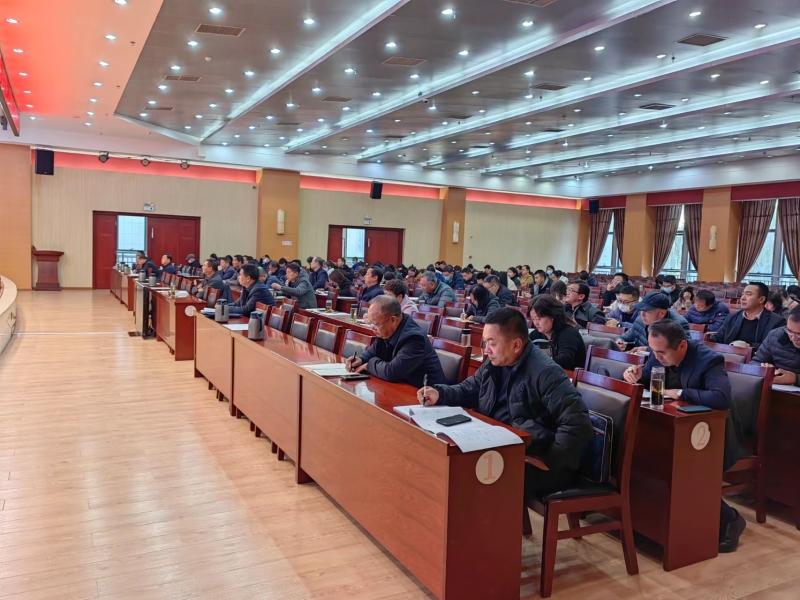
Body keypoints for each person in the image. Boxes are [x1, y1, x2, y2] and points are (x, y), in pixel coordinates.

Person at [418, 308, 593, 500]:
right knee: (443, 464)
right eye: (485, 342)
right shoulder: (494, 363)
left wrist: (551, 460)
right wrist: (440, 393)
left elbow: (577, 423)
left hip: (534, 454)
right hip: (498, 445)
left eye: (492, 343)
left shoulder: (546, 373)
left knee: (473, 481)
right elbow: (469, 389)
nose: (486, 350)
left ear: (516, 345)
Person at [622, 319, 744, 553]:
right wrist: (634, 374)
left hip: (712, 434)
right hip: (674, 426)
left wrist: (679, 392)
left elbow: (720, 398)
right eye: (653, 351)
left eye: (661, 352)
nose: (656, 357)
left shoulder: (709, 360)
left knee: (679, 470)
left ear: (681, 346)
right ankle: (650, 522)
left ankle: (730, 519)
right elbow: (649, 380)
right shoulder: (657, 353)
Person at [346, 296, 446, 386]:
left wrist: (369, 365)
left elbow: (392, 372)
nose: (372, 328)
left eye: (375, 324)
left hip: (425, 393)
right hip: (400, 387)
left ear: (393, 320)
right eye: (370, 323)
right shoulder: (386, 329)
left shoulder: (414, 338)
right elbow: (373, 351)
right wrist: (361, 359)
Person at [708, 283, 786, 350]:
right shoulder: (732, 317)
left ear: (761, 299)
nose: (742, 298)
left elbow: (775, 347)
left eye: (748, 294)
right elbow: (719, 338)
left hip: (758, 360)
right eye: (743, 294)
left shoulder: (777, 321)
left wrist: (749, 346)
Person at [615, 292, 690, 352]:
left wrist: (648, 350)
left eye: (647, 311)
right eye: (641, 310)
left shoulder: (678, 325)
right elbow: (624, 338)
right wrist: (620, 342)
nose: (642, 314)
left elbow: (681, 351)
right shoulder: (640, 320)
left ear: (661, 313)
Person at [529, 294, 586, 371]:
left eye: (538, 319)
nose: (535, 323)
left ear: (552, 316)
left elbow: (566, 360)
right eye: (533, 319)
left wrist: (536, 361)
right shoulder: (535, 334)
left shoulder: (569, 333)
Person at [752, 305, 800, 385]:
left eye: (799, 334)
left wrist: (796, 379)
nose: (793, 338)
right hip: (774, 387)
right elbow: (755, 362)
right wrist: (763, 369)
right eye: (790, 331)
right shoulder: (775, 335)